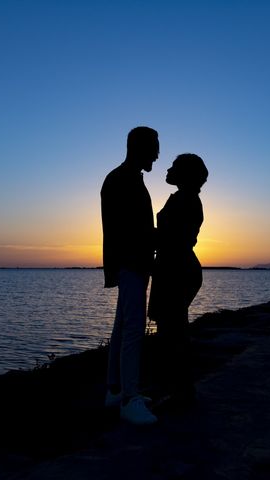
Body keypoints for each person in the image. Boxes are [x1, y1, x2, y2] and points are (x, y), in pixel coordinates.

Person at [101, 126, 159, 425]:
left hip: (131, 261)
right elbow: (124, 229)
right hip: (131, 262)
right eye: (155, 146)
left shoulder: (127, 178)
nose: (158, 153)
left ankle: (115, 390)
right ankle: (129, 399)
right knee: (133, 328)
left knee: (122, 326)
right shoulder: (123, 179)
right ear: (140, 147)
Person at [148, 153, 208, 410]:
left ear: (184, 173)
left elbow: (172, 238)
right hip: (174, 267)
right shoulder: (183, 198)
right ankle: (178, 390)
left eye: (174, 166)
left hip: (177, 269)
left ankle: (180, 393)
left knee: (173, 333)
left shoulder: (187, 200)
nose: (168, 169)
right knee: (172, 331)